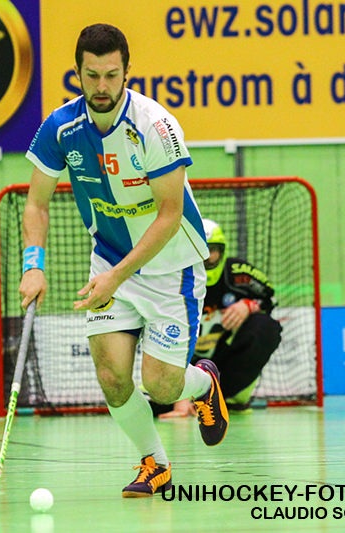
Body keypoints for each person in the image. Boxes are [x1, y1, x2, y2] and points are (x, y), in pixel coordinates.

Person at [18, 23, 229, 498]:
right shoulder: (60, 128)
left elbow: (170, 215)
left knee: (161, 385)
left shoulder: (155, 126)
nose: (101, 86)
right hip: (110, 259)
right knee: (112, 376)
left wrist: (116, 276)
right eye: (91, 75)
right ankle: (155, 462)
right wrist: (34, 264)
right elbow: (36, 204)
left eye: (111, 75)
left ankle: (203, 384)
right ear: (77, 73)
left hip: (171, 266)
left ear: (127, 72)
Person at [153, 219, 282, 418]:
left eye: (211, 249)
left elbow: (270, 298)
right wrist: (181, 397)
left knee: (266, 327)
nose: (206, 255)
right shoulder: (172, 278)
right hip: (183, 363)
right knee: (154, 404)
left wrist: (249, 305)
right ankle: (185, 399)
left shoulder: (239, 273)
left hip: (221, 364)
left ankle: (227, 396)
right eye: (199, 249)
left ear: (222, 250)